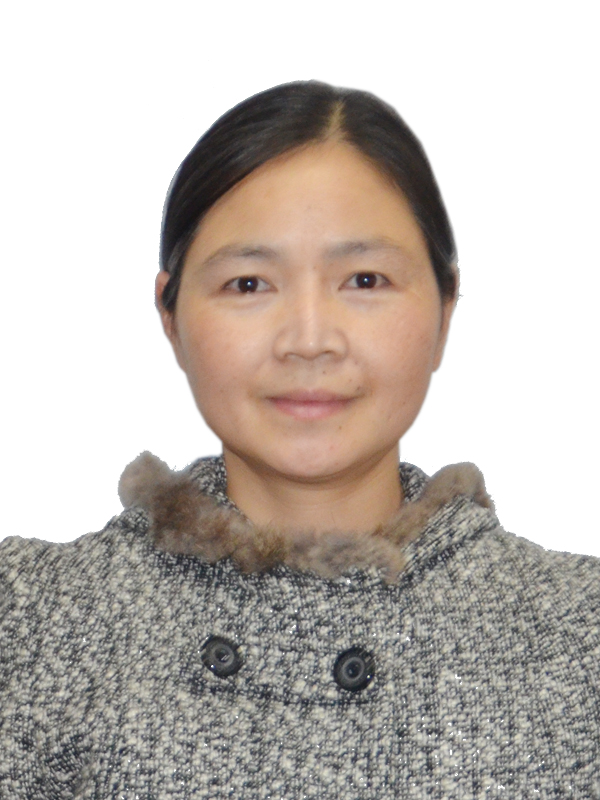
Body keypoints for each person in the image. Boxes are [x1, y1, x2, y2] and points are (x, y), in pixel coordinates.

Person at [1, 81, 598, 798]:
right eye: (249, 284)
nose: (309, 340)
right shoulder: (26, 621)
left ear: (446, 309)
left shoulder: (580, 634)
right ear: (171, 316)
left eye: (365, 279)